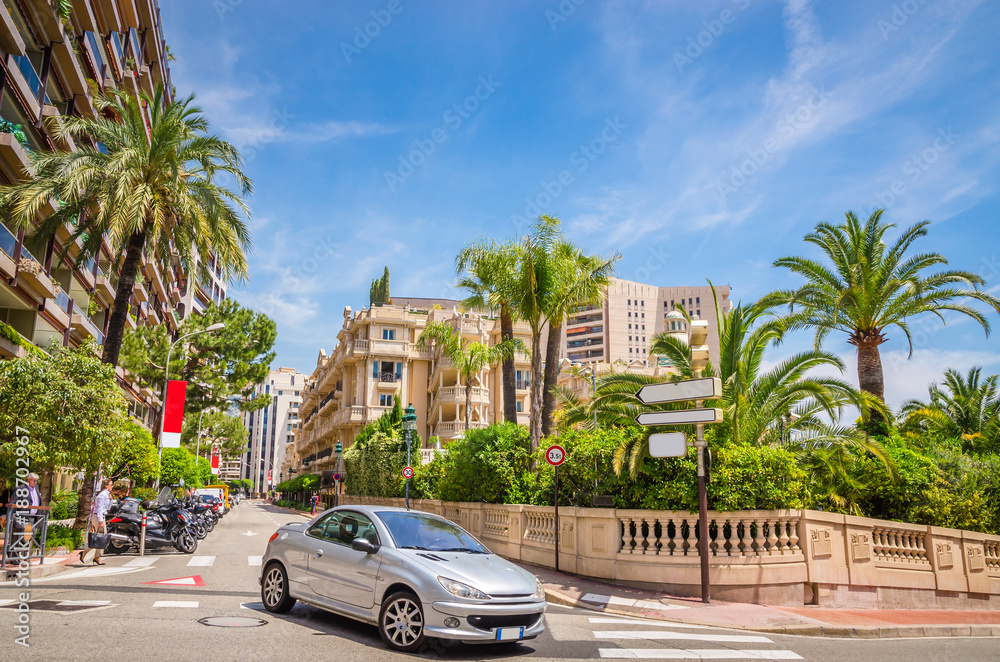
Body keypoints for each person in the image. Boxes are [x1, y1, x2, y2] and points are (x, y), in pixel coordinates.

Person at [81, 479, 113, 565]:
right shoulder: (102, 495)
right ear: (106, 486)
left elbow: (108, 508)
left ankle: (96, 556)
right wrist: (100, 521)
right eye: (111, 485)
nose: (112, 486)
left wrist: (111, 500)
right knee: (101, 537)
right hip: (98, 517)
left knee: (101, 538)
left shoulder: (107, 495)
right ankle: (87, 553)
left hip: (101, 516)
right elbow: (99, 509)